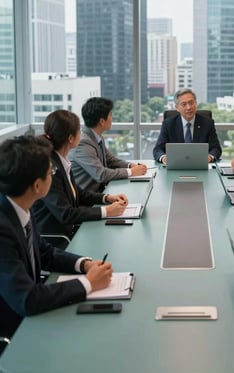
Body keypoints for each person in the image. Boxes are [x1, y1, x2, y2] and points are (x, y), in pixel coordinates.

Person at [0, 135, 114, 340]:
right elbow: (27, 299)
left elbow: (44, 252)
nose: (53, 175)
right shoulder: (3, 229)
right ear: (37, 185)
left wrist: (84, 264)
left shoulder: (19, 206)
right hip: (16, 330)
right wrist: (88, 283)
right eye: (50, 172)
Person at [32, 110, 128, 242]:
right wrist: (107, 212)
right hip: (57, 240)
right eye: (79, 131)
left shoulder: (61, 160)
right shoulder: (50, 169)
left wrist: (107, 198)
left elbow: (79, 194)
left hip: (71, 231)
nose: (81, 134)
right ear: (71, 138)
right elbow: (66, 214)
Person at [69, 97, 147, 192]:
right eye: (110, 115)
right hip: (87, 199)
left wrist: (130, 165)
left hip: (101, 191)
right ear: (102, 121)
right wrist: (131, 172)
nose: (112, 119)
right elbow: (101, 174)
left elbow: (109, 160)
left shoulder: (96, 136)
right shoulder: (83, 143)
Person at [153, 88, 222, 164]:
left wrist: (209, 157)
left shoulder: (207, 123)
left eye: (191, 103)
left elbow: (216, 148)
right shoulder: (168, 124)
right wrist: (163, 157)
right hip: (176, 166)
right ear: (177, 108)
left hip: (200, 166)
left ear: (196, 103)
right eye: (184, 104)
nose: (188, 107)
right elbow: (158, 149)